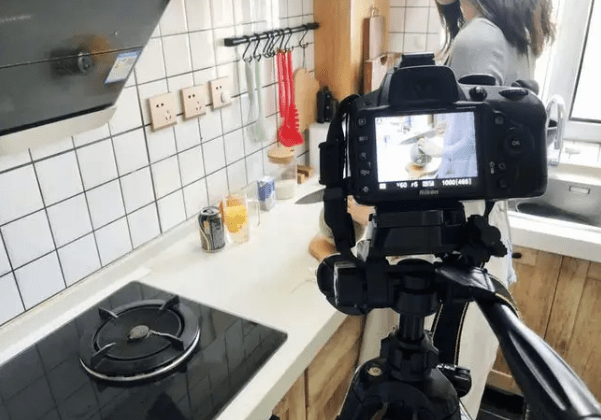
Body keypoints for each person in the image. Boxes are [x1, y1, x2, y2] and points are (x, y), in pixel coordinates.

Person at [309, 0, 555, 417]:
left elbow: (445, 167)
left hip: (444, 249)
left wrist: (372, 213)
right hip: (474, 241)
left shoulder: (478, 38)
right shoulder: (513, 31)